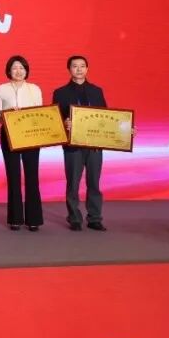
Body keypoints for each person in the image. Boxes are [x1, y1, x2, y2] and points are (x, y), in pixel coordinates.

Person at [52, 55, 107, 231]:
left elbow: (106, 117)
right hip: (72, 145)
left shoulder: (97, 91)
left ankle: (95, 218)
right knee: (73, 184)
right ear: (69, 69)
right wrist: (64, 123)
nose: (79, 69)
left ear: (87, 69)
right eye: (75, 66)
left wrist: (125, 130)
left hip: (94, 145)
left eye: (82, 66)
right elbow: (54, 120)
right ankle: (74, 218)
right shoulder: (60, 92)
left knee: (94, 183)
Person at [0, 55, 44, 231]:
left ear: (26, 71)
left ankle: (34, 219)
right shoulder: (1, 88)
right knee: (13, 176)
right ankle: (15, 218)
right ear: (9, 70)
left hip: (31, 135)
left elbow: (40, 112)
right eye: (15, 68)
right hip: (9, 135)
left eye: (22, 68)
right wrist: (7, 113)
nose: (18, 71)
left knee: (32, 176)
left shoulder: (34, 89)